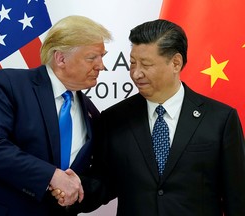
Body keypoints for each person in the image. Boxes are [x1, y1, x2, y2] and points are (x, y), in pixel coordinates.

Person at [56, 19, 245, 215]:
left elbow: (237, 198)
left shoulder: (220, 119)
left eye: (146, 64)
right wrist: (71, 189)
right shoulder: (114, 119)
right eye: (132, 63)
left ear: (176, 63)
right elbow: (103, 183)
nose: (136, 73)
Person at [0, 15, 112, 216]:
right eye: (92, 57)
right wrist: (52, 177)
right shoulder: (8, 84)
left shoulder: (92, 115)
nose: (101, 66)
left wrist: (74, 189)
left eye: (102, 57)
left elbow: (96, 178)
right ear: (61, 58)